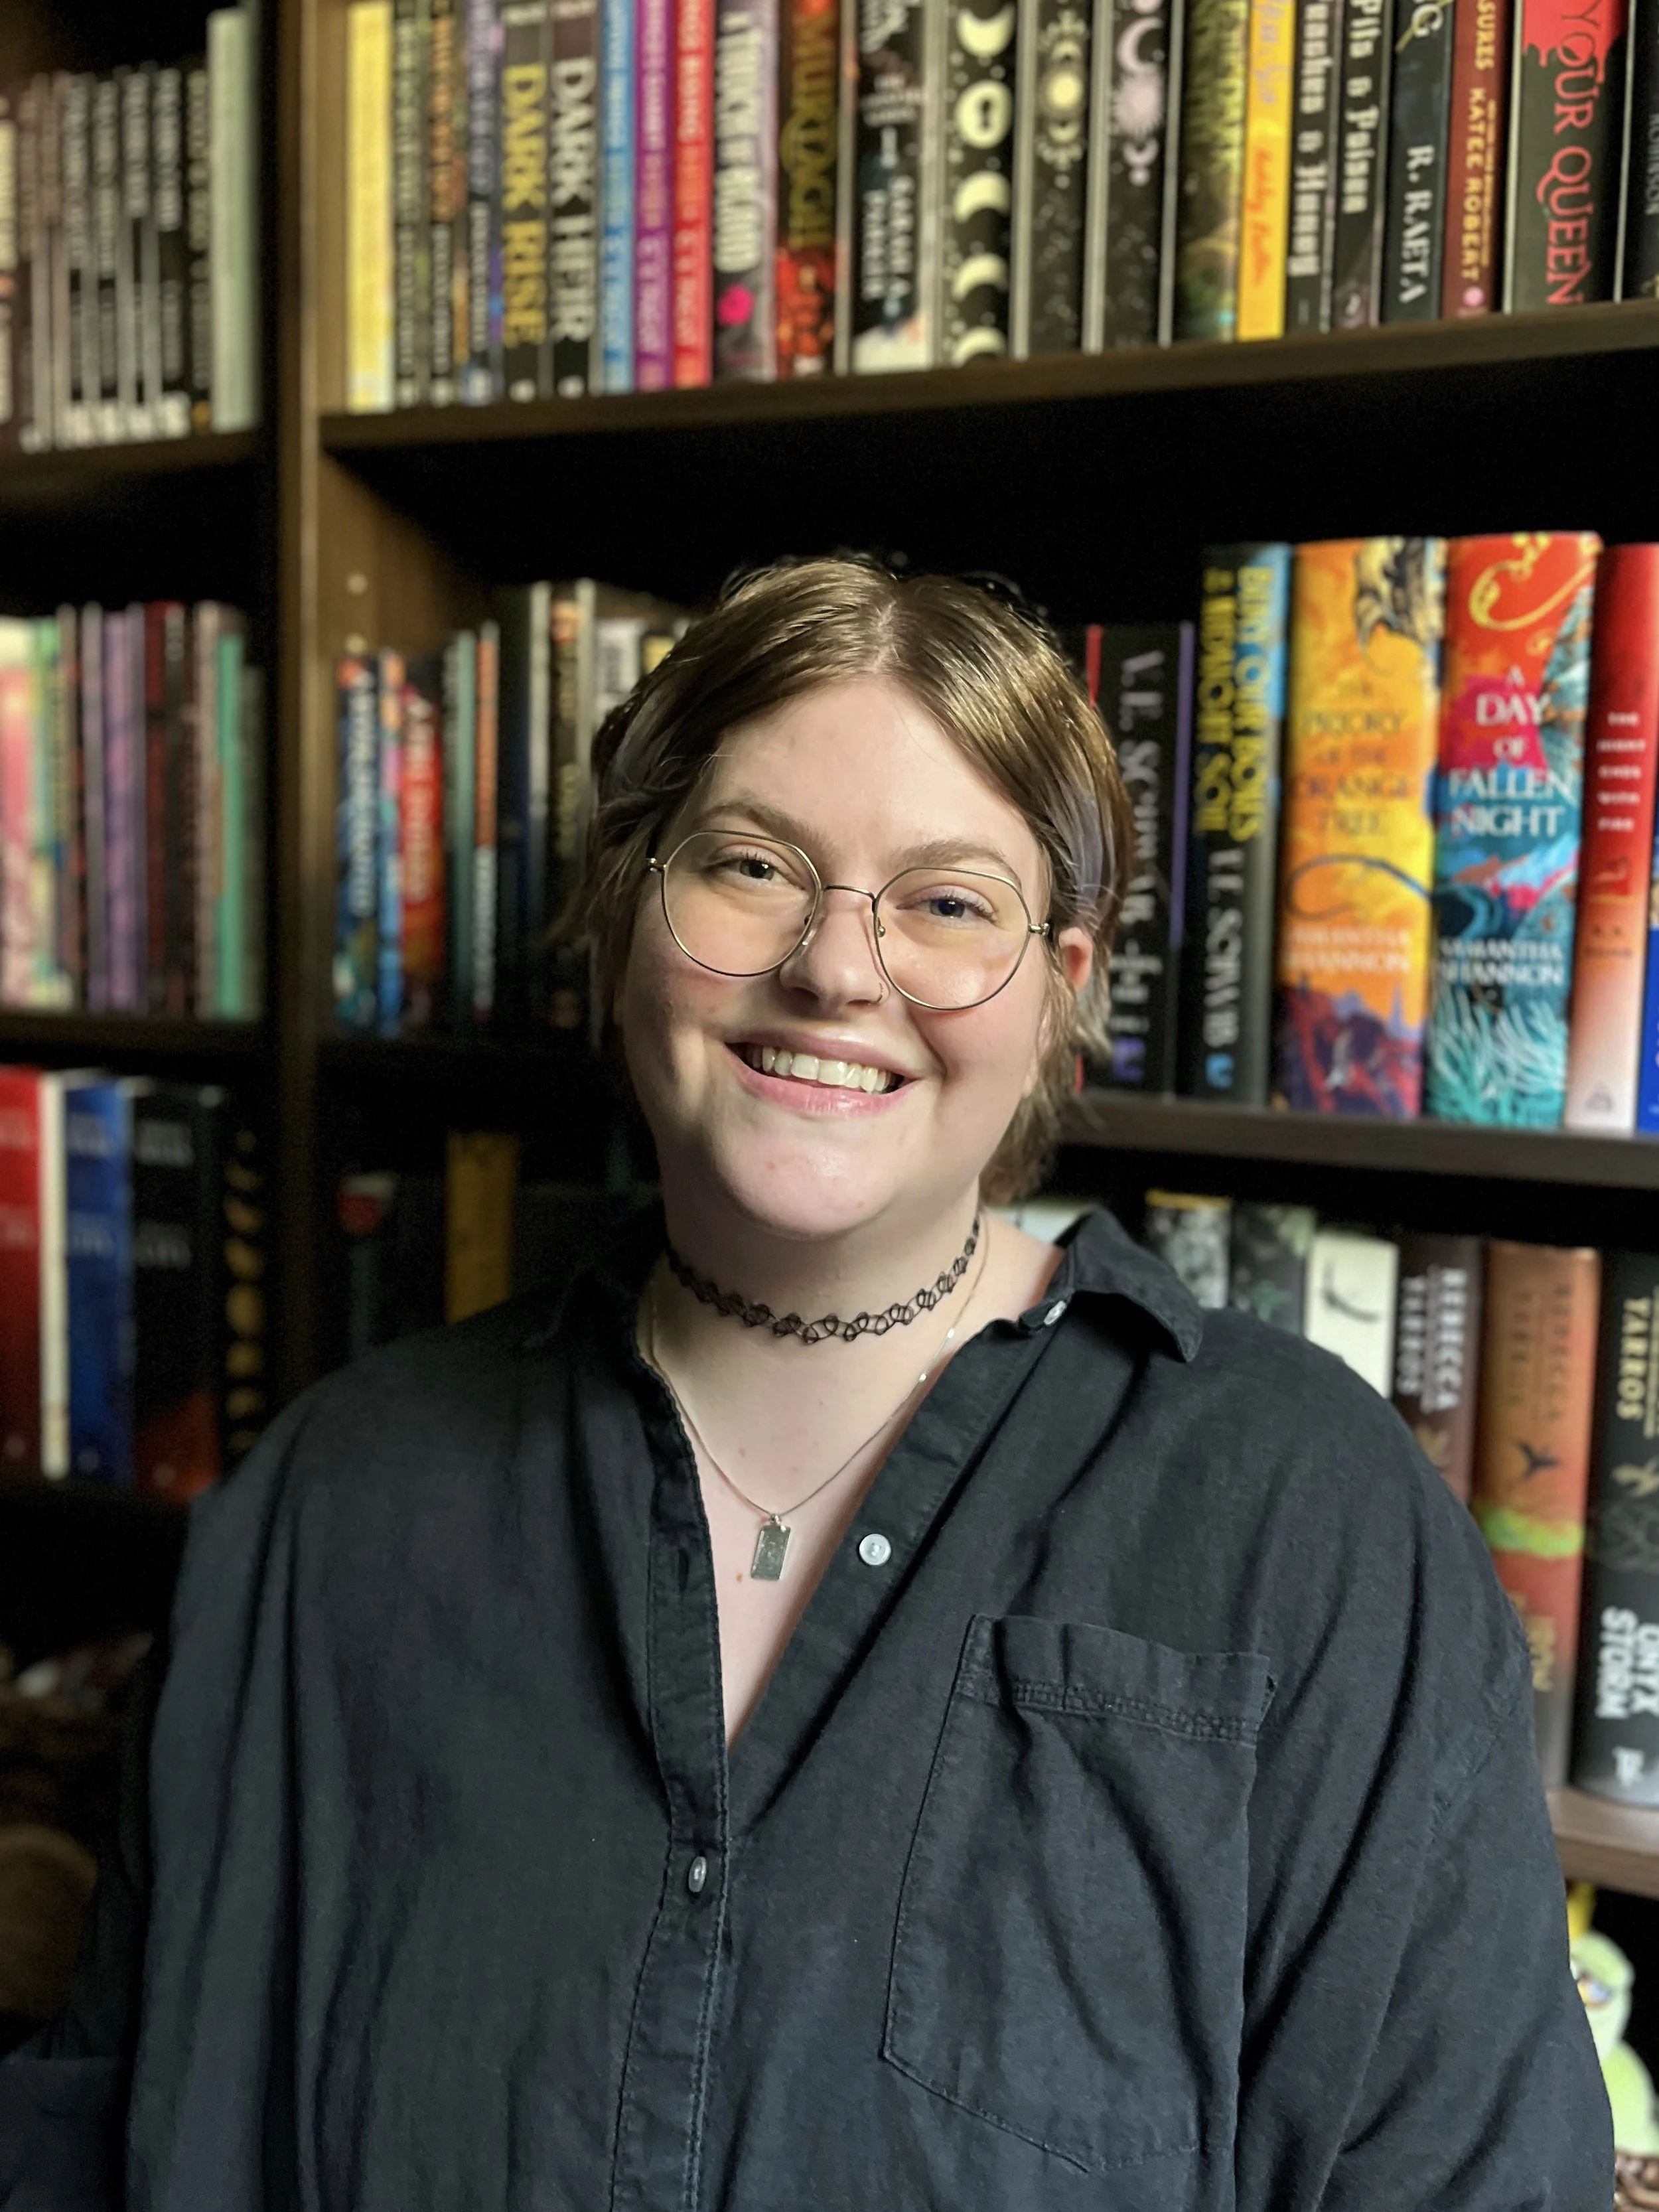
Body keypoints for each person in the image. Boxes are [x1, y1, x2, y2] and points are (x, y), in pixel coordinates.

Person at [1, 556, 1610, 2211]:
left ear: (1064, 986)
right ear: (624, 907)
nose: (838, 970)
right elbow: (113, 2141)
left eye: (948, 900)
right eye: (756, 865)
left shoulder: (1309, 1524)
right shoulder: (323, 1508)